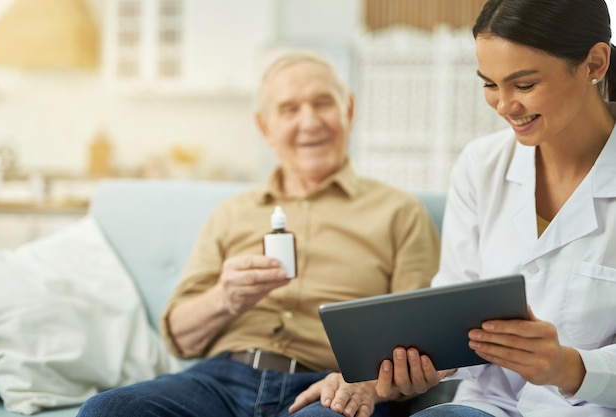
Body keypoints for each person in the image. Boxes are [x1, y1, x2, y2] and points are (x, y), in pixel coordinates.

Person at [289, 0, 616, 416]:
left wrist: (569, 367)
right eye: (490, 84)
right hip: (485, 407)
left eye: (525, 85)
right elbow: (454, 317)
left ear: (595, 62)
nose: (503, 105)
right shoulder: (481, 165)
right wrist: (395, 370)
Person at [76, 51, 441, 417]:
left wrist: (364, 385)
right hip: (220, 382)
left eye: (323, 103)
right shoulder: (232, 213)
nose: (309, 122)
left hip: (329, 388)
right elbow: (180, 338)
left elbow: (422, 343)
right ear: (264, 126)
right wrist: (225, 299)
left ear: (349, 109)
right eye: (289, 109)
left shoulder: (400, 213)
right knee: (107, 410)